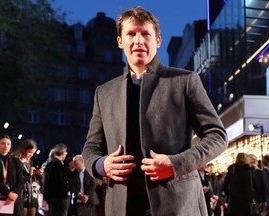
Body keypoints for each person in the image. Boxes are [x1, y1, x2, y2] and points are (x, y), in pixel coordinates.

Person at [81, 6, 228, 216]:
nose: (138, 40)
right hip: (122, 206)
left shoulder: (184, 81)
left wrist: (176, 163)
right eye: (131, 34)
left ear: (157, 41)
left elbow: (218, 136)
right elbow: (91, 147)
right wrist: (100, 164)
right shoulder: (103, 93)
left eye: (145, 34)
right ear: (120, 42)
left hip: (178, 204)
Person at [0, 134, 24, 216]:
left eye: (8, 144)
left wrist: (14, 194)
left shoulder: (16, 161)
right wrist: (8, 193)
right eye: (2, 143)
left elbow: (20, 180)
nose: (6, 146)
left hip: (14, 198)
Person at [14, 139, 43, 216]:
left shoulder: (30, 161)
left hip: (30, 193)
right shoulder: (16, 160)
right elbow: (16, 178)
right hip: (21, 193)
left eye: (33, 153)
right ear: (23, 149)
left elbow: (30, 177)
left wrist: (36, 173)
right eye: (30, 152)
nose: (31, 155)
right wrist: (29, 174)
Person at [43, 143, 70, 216]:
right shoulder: (59, 164)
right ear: (63, 152)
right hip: (59, 197)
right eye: (66, 152)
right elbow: (60, 180)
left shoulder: (49, 164)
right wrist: (66, 191)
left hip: (50, 197)